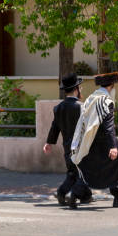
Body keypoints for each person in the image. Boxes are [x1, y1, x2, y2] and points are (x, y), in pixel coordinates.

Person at [69, 72, 118, 208]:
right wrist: (113, 146)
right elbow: (109, 126)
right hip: (105, 143)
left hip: (89, 142)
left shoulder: (91, 98)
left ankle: (75, 194)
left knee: (88, 170)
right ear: (111, 86)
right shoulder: (106, 101)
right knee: (117, 169)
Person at [43, 73, 92, 206]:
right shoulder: (82, 107)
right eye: (80, 88)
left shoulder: (58, 108)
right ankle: (72, 194)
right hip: (81, 148)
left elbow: (55, 127)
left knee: (73, 173)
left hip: (67, 148)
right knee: (84, 173)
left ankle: (66, 193)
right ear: (76, 89)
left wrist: (49, 143)